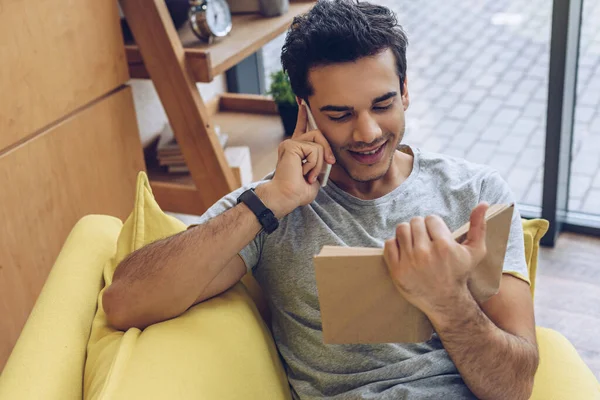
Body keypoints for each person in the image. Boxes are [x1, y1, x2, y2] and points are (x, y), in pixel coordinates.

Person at [103, 1, 539, 398]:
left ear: (404, 90)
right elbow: (125, 301)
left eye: (383, 104)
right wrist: (272, 199)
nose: (367, 132)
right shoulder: (270, 209)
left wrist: (449, 302)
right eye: (340, 114)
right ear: (305, 111)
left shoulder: (475, 193)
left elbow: (515, 386)